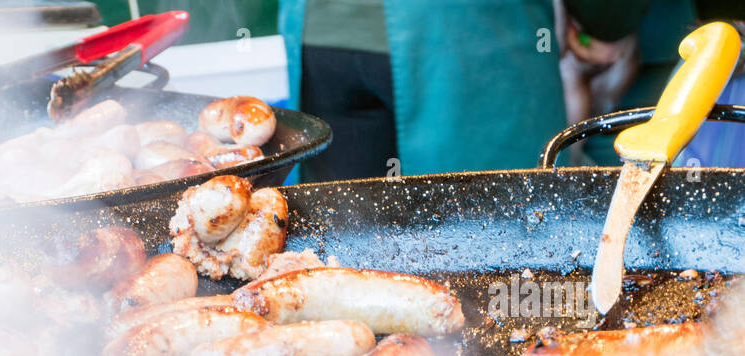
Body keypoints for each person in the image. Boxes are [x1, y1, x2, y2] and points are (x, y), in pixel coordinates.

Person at [280, 0, 709, 179]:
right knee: (497, 246)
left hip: (322, 31)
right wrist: (608, 19)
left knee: (346, 246)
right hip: (467, 32)